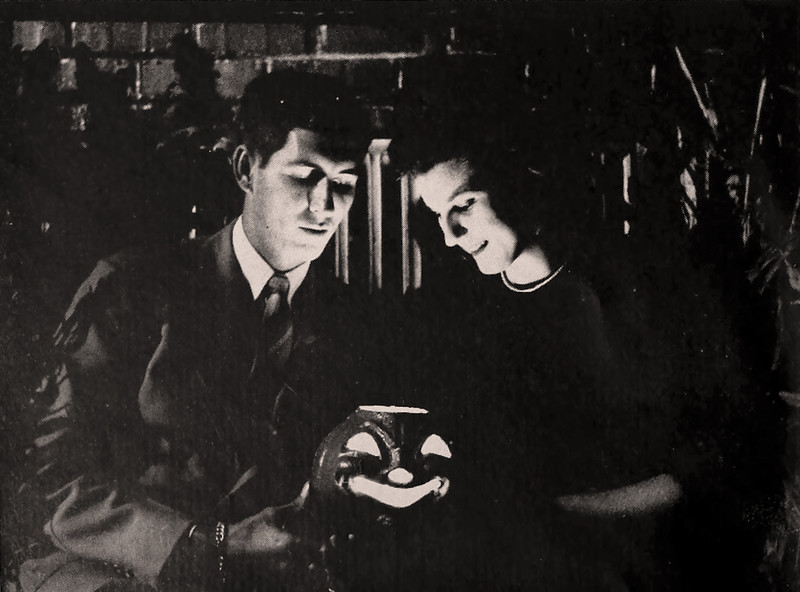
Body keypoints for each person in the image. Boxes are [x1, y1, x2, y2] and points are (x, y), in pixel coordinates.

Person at [393, 102, 777, 590]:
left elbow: (711, 460)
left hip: (655, 559)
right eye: (438, 215)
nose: (450, 237)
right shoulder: (462, 318)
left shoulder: (638, 287)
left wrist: (566, 512)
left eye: (464, 204)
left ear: (517, 179)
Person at [18, 71, 377, 592]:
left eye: (344, 184)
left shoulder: (354, 319)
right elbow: (51, 471)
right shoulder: (133, 288)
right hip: (129, 572)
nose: (325, 205)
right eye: (304, 176)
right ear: (245, 169)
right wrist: (209, 545)